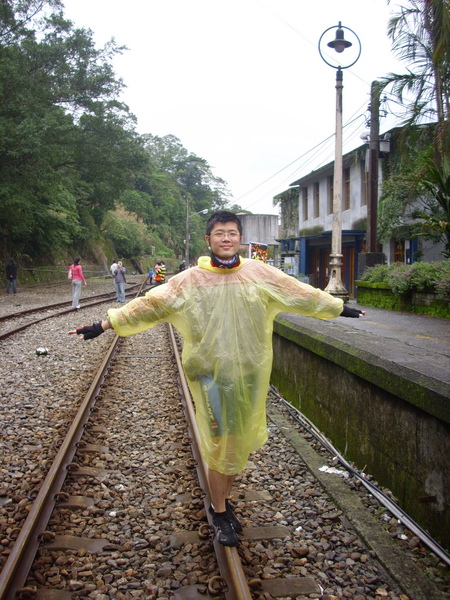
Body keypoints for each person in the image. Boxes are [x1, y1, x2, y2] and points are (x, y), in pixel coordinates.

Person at [69, 211, 365, 547]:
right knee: (222, 443)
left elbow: (299, 292)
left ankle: (222, 500)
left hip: (248, 373)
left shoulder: (258, 273)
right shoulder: (191, 279)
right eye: (220, 233)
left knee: (236, 443)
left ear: (241, 239)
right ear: (208, 240)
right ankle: (220, 510)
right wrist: (102, 326)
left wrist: (339, 308)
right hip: (209, 374)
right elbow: (148, 305)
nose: (226, 238)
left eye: (233, 233)